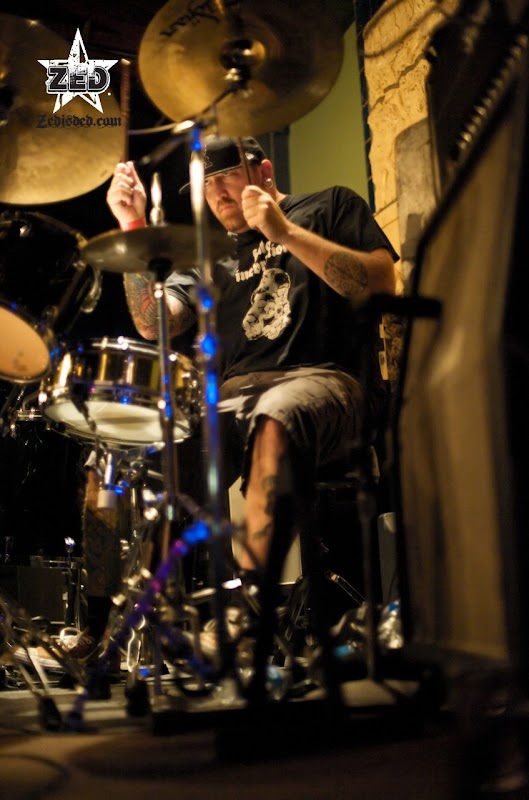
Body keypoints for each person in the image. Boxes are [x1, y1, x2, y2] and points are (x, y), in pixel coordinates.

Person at [105, 134, 398, 613]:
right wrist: (132, 225)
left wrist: (284, 233)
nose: (217, 194)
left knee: (275, 412)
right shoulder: (209, 254)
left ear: (264, 172)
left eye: (227, 177)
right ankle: (129, 621)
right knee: (140, 443)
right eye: (207, 185)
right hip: (236, 396)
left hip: (329, 383)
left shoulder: (328, 206)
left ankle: (251, 614)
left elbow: (381, 285)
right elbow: (152, 322)